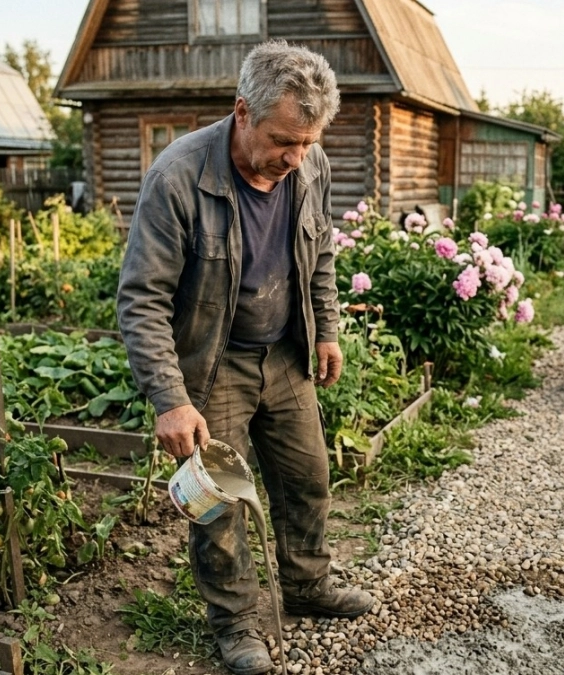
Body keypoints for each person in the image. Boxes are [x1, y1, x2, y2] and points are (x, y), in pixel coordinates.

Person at [117, 40, 375, 675]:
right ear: (242, 110)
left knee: (308, 476)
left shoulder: (309, 167)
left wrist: (327, 330)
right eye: (284, 140)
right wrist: (171, 399)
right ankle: (236, 624)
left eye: (307, 142)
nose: (294, 157)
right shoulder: (178, 178)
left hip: (285, 353)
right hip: (214, 362)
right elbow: (141, 297)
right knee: (219, 501)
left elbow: (322, 257)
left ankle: (307, 586)